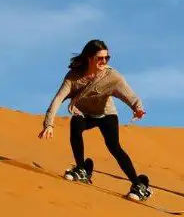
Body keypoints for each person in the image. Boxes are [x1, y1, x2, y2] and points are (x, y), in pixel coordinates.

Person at [38, 39, 152, 201]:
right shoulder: (74, 77)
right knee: (75, 124)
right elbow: (58, 99)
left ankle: (139, 185)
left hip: (106, 114)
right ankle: (81, 169)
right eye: (100, 58)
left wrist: (137, 108)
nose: (104, 61)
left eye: (107, 58)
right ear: (89, 58)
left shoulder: (112, 76)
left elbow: (129, 95)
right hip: (85, 114)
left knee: (114, 147)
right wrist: (49, 124)